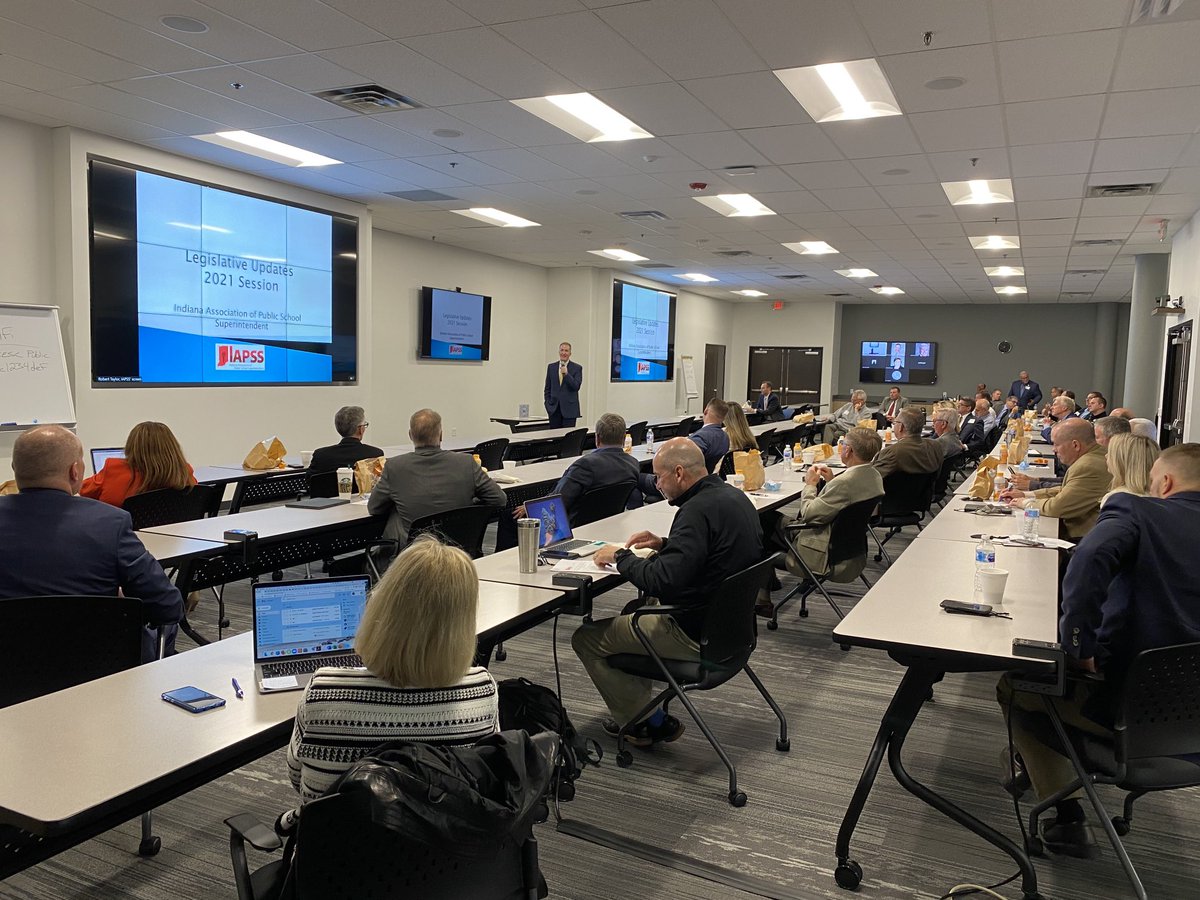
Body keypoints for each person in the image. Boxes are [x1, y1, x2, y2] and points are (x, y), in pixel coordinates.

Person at [998, 444, 1200, 856]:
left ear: (1165, 482)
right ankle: (1032, 765)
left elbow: (1089, 561)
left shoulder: (1138, 512)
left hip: (1131, 711)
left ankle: (1067, 818)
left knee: (1020, 686)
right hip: (1190, 720)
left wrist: (1079, 645)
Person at [574, 439, 763, 746]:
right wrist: (665, 544)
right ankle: (644, 708)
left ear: (678, 473)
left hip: (692, 634)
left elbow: (661, 581)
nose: (657, 485)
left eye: (659, 478)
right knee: (633, 611)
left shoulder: (695, 511)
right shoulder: (734, 497)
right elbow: (716, 552)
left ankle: (644, 723)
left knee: (586, 638)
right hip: (733, 631)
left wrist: (621, 557)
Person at [286, 537, 499, 803]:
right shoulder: (482, 691)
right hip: (441, 842)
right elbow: (483, 782)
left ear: (381, 603)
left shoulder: (322, 692)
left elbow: (298, 779)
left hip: (336, 840)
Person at [0, 425, 182, 662]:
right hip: (99, 671)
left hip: (9, 670)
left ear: (15, 470)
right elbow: (167, 605)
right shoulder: (110, 522)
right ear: (75, 471)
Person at [367, 408, 506, 547]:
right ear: (441, 435)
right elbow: (499, 498)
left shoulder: (394, 467)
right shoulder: (466, 463)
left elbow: (374, 507)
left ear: (410, 435)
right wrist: (470, 502)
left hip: (415, 557)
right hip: (457, 551)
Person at [780, 427, 884, 585]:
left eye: (842, 444)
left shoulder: (844, 482)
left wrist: (810, 485)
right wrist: (831, 481)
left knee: (761, 523)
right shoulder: (874, 475)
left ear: (848, 450)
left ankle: (763, 593)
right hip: (851, 552)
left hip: (825, 554)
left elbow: (808, 514)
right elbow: (847, 505)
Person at [511, 412, 640, 524]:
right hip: (609, 524)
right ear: (624, 439)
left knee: (510, 518)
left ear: (597, 438)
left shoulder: (585, 465)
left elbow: (558, 500)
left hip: (569, 527)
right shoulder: (633, 465)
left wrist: (530, 506)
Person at [1000, 418, 1111, 541]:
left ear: (1075, 445)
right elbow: (1066, 490)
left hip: (1081, 538)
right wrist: (1025, 494)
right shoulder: (1095, 456)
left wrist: (1025, 503)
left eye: (1056, 444)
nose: (1054, 449)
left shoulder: (1087, 465)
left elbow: (1056, 508)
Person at [80, 421, 196, 507]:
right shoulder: (184, 472)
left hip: (122, 536)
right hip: (172, 536)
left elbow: (83, 490)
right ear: (172, 447)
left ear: (132, 447)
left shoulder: (114, 469)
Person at [307, 406, 384, 496]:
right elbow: (380, 484)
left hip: (326, 506)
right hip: (361, 503)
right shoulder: (375, 454)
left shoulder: (321, 455)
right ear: (360, 429)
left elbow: (309, 481)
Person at [873, 408, 942, 479]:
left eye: (895, 422)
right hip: (927, 489)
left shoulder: (892, 452)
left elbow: (872, 477)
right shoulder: (935, 446)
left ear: (901, 427)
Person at [1100, 433, 1159, 507]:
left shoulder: (1116, 499)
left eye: (1111, 453)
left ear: (1122, 461)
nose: (1106, 456)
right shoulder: (1163, 497)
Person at [544, 341, 583, 427]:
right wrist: (548, 404)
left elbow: (576, 386)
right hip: (554, 410)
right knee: (554, 438)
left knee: (568, 438)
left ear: (570, 353)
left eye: (566, 351)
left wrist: (566, 375)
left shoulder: (577, 368)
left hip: (569, 411)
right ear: (559, 352)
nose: (563, 353)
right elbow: (547, 388)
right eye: (562, 350)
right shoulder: (551, 367)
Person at [689, 397, 732, 472]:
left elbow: (688, 462)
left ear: (705, 411)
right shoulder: (726, 437)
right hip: (713, 478)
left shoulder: (700, 437)